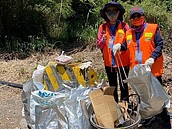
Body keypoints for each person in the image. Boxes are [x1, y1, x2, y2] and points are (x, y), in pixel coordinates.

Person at [125, 6, 171, 129]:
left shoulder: (152, 28)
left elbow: (159, 44)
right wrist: (118, 45)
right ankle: (148, 117)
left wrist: (152, 58)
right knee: (143, 96)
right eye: (133, 16)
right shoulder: (129, 33)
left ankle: (165, 119)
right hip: (139, 73)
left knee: (158, 96)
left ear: (143, 16)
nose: (136, 18)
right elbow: (126, 47)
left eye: (138, 15)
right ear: (130, 19)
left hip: (152, 70)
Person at [97, 1, 130, 103]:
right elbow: (99, 45)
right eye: (109, 11)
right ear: (105, 14)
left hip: (123, 61)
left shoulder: (125, 26)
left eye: (114, 11)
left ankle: (125, 105)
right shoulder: (102, 27)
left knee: (124, 85)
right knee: (113, 85)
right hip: (109, 62)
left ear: (118, 13)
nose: (112, 14)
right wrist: (103, 39)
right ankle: (115, 106)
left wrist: (121, 45)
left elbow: (129, 42)